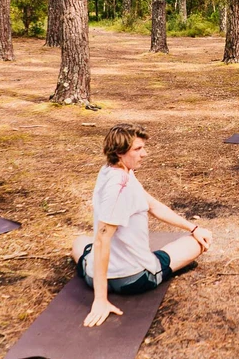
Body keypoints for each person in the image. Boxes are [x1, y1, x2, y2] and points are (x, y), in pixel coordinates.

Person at [73, 124, 212, 327]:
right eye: (138, 149)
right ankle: (111, 288)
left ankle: (100, 276)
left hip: (92, 275)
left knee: (79, 242)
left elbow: (153, 206)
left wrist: (193, 227)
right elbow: (103, 240)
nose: (144, 154)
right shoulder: (122, 187)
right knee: (197, 244)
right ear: (120, 152)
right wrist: (100, 300)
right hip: (134, 278)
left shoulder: (112, 170)